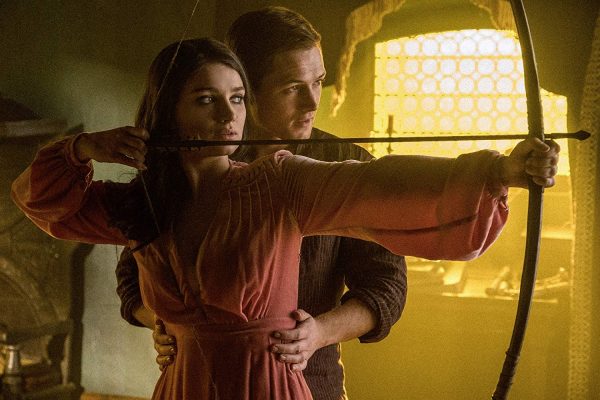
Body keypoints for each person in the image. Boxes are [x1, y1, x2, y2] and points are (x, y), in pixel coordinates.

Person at [11, 37, 559, 400]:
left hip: (268, 386)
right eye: (205, 100)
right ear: (167, 111)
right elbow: (40, 200)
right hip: (181, 388)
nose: (228, 116)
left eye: (237, 99)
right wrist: (82, 147)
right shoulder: (144, 202)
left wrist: (501, 170)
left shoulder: (278, 182)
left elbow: (378, 184)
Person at [118, 7, 410, 399]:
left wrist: (319, 332)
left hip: (311, 383)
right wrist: (167, 321)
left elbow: (386, 285)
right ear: (247, 88)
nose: (312, 102)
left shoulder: (346, 163)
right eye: (292, 88)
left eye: (318, 82)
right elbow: (131, 278)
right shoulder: (196, 163)